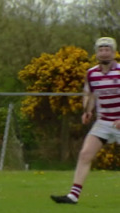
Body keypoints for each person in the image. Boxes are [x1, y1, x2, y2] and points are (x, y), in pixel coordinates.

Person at [51, 37, 120, 204]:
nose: (104, 53)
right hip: (103, 121)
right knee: (85, 154)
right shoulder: (91, 73)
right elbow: (89, 94)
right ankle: (73, 196)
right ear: (96, 52)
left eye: (107, 49)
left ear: (113, 52)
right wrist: (87, 111)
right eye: (101, 49)